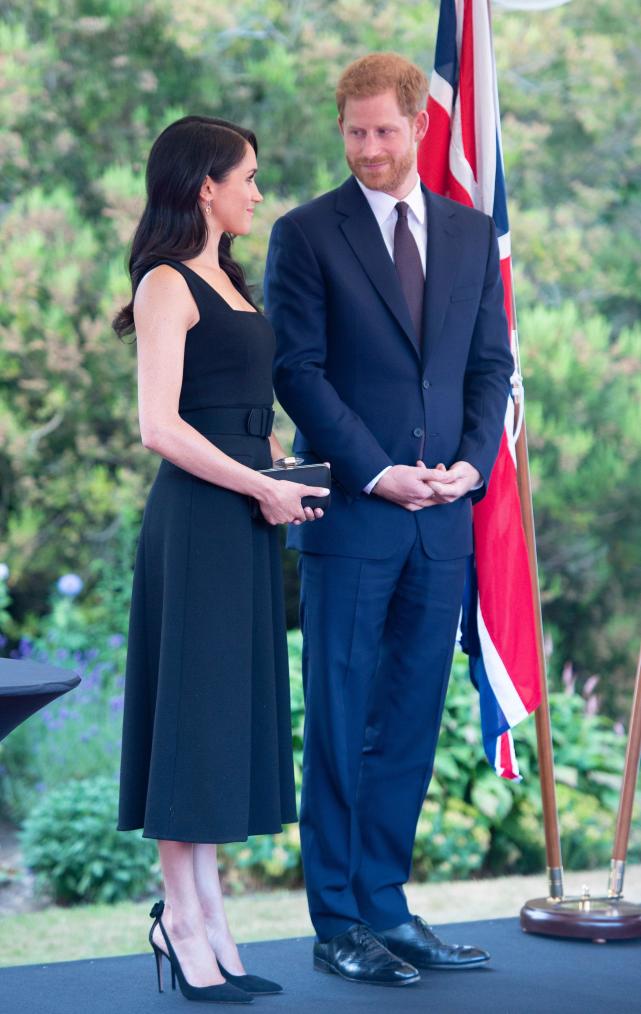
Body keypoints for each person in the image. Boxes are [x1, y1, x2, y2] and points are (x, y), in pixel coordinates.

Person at [264, 53, 514, 987]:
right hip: (353, 521)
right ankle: (336, 922)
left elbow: (488, 368)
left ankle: (386, 909)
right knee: (339, 720)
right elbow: (296, 372)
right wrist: (375, 473)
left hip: (442, 523)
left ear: (418, 126)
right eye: (353, 131)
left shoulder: (468, 232)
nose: (367, 147)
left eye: (382, 131)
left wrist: (469, 466)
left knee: (408, 722)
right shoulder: (304, 233)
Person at [114, 115, 328, 1004]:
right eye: (248, 176)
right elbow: (158, 427)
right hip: (202, 520)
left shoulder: (227, 281)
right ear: (205, 186)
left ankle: (209, 918)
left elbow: (237, 408)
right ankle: (181, 917)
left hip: (242, 515)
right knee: (191, 718)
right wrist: (258, 485)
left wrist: (279, 470)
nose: (257, 192)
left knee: (221, 714)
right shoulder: (166, 281)